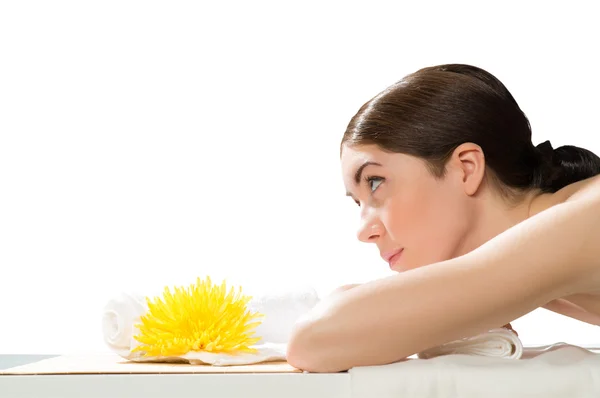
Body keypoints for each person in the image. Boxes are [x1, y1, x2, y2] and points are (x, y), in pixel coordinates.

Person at [286, 64, 600, 373]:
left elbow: (314, 340)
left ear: (466, 168)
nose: (363, 230)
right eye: (358, 203)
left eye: (375, 182)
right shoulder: (556, 260)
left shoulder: (584, 219)